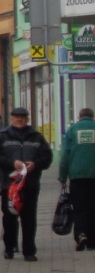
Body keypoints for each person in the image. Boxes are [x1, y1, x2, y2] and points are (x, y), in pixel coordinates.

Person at [0, 107, 53, 261]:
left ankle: (29, 251)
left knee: (29, 218)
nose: (19, 120)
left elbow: (47, 157)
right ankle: (9, 247)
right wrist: (12, 163)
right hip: (9, 185)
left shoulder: (36, 137)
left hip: (30, 184)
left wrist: (35, 165)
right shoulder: (3, 136)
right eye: (17, 117)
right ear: (12, 118)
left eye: (22, 117)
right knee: (9, 217)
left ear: (27, 119)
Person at [59, 107, 95, 251]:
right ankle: (92, 242)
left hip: (76, 177)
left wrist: (62, 176)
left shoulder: (72, 130)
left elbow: (65, 156)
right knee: (93, 207)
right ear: (92, 117)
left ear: (79, 117)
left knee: (79, 208)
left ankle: (80, 235)